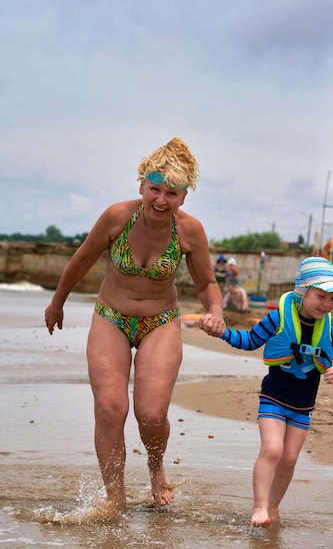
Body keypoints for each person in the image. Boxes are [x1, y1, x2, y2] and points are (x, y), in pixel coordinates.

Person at [44, 137, 225, 518]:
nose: (161, 200)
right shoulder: (116, 217)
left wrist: (216, 309)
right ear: (142, 184)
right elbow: (80, 261)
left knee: (151, 413)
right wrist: (57, 302)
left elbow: (207, 282)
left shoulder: (190, 232)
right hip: (111, 317)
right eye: (155, 189)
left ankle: (156, 468)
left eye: (172, 193)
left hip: (160, 323)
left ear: (184, 196)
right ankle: (115, 497)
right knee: (111, 408)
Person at [203, 257, 333, 527]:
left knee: (289, 458)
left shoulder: (329, 327)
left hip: (303, 405)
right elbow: (250, 341)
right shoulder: (278, 317)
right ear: (302, 293)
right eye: (321, 296)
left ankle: (272, 509)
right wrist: (224, 333)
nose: (327, 304)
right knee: (272, 450)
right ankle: (259, 506)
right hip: (273, 398)